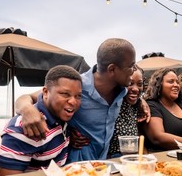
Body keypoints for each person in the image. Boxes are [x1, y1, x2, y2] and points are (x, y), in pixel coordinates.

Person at [15, 38, 149, 163]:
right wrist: (27, 109)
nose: (133, 71)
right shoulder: (77, 87)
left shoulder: (122, 91)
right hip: (75, 169)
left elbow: (134, 96)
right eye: (131, 66)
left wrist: (142, 102)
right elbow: (28, 98)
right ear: (112, 69)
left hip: (103, 166)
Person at [107, 65, 144, 158]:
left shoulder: (136, 106)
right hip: (110, 162)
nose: (135, 89)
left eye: (139, 84)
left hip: (131, 160)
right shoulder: (109, 104)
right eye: (130, 83)